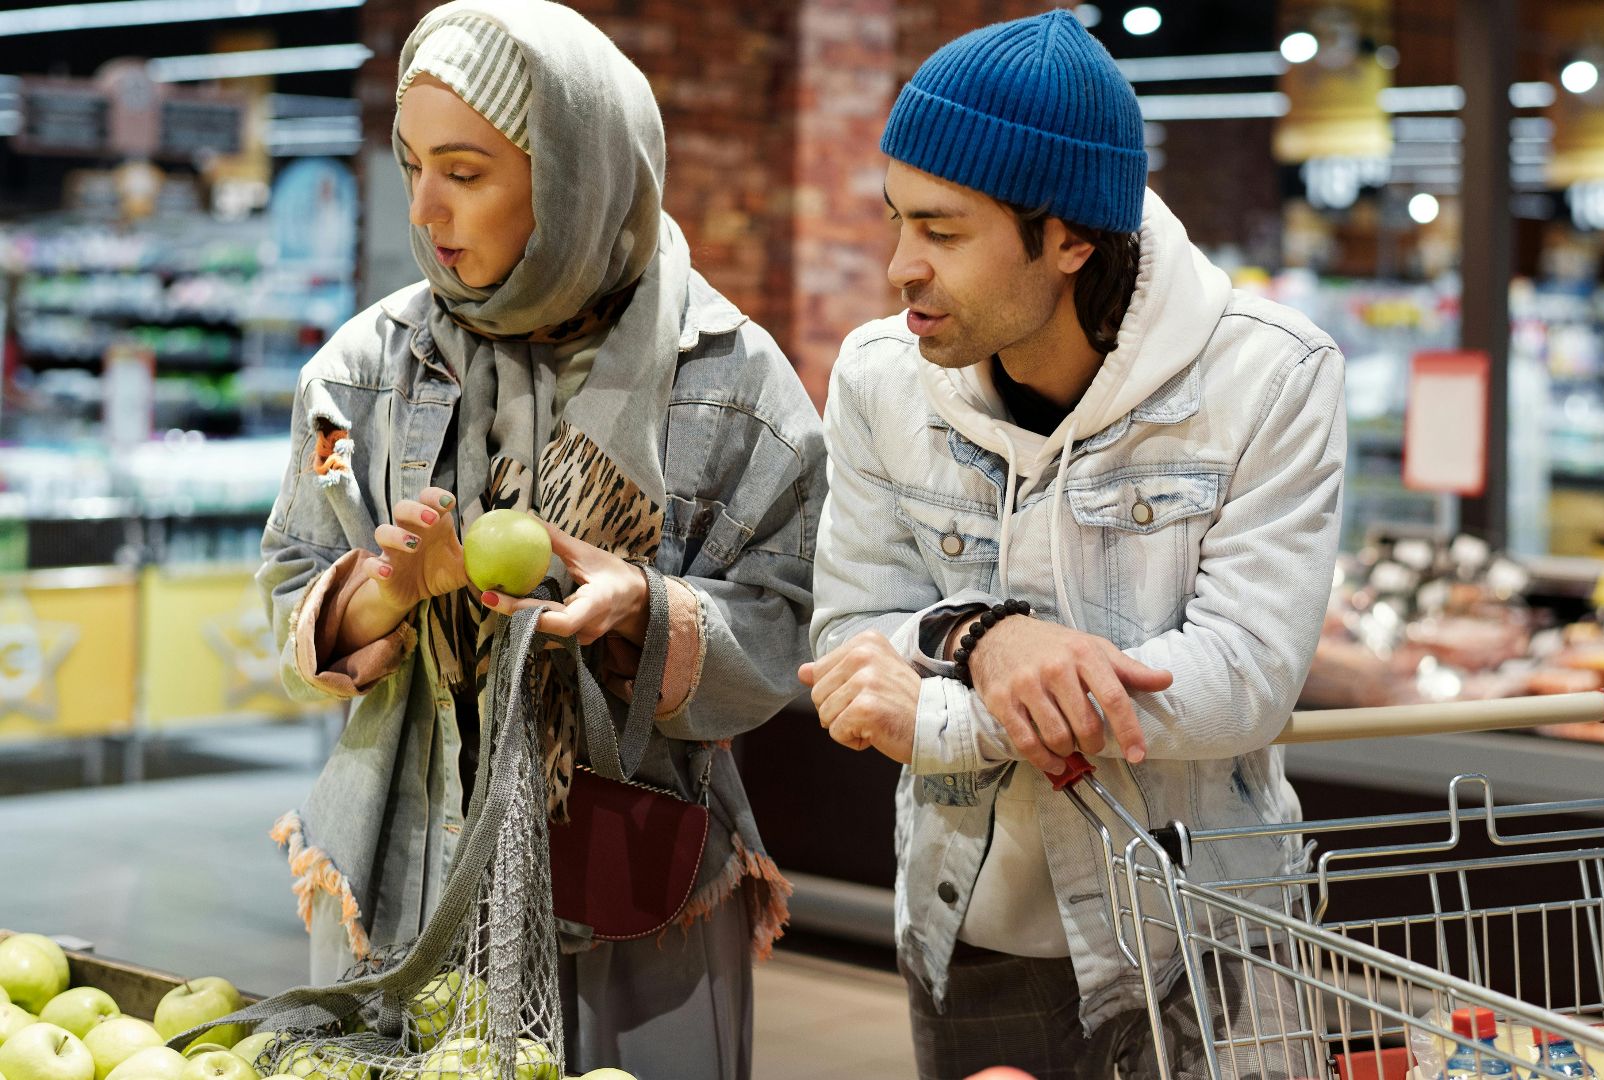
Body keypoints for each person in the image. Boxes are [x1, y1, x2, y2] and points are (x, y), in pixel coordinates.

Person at [257, 2, 823, 1075]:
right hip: (400, 883)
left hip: (635, 893)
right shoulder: (355, 378)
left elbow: (792, 624)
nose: (426, 208)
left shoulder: (732, 386)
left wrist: (645, 614)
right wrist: (381, 595)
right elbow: (285, 580)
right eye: (413, 163)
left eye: (464, 172)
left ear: (573, 174)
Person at [802, 9, 1346, 1078]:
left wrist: (955, 714)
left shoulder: (1269, 378)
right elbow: (850, 637)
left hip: (1206, 938)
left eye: (944, 232)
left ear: (1069, 239)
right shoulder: (878, 379)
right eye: (896, 219)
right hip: (972, 936)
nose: (901, 267)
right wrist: (987, 636)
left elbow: (1242, 679)